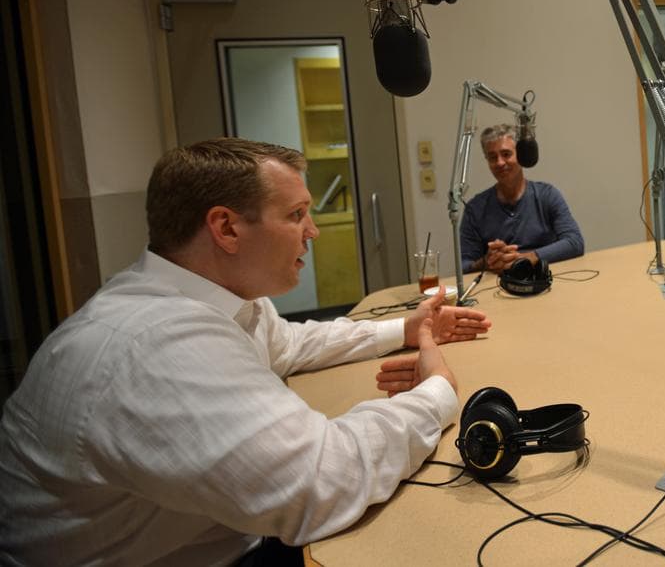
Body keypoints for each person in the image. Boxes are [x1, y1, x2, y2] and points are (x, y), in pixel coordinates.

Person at [0, 138, 492, 566]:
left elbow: (291, 344)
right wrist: (436, 392)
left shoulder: (218, 300)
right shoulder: (158, 347)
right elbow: (322, 481)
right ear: (226, 228)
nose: (313, 231)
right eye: (296, 214)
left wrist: (405, 329)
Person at [460, 124, 584, 273]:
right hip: (497, 286)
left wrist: (528, 258)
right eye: (493, 157)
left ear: (521, 155)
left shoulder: (547, 195)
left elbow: (575, 242)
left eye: (506, 154)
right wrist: (486, 262)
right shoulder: (475, 209)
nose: (499, 162)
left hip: (544, 279)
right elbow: (463, 265)